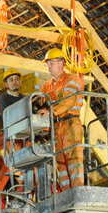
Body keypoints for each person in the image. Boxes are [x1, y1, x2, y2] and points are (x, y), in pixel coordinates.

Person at [38, 47, 85, 190]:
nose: (48, 66)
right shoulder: (45, 86)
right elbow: (39, 101)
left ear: (61, 63)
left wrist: (50, 111)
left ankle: (77, 192)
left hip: (71, 124)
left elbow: (69, 101)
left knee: (73, 160)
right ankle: (66, 194)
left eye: (51, 63)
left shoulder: (72, 79)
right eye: (47, 63)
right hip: (55, 127)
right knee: (60, 164)